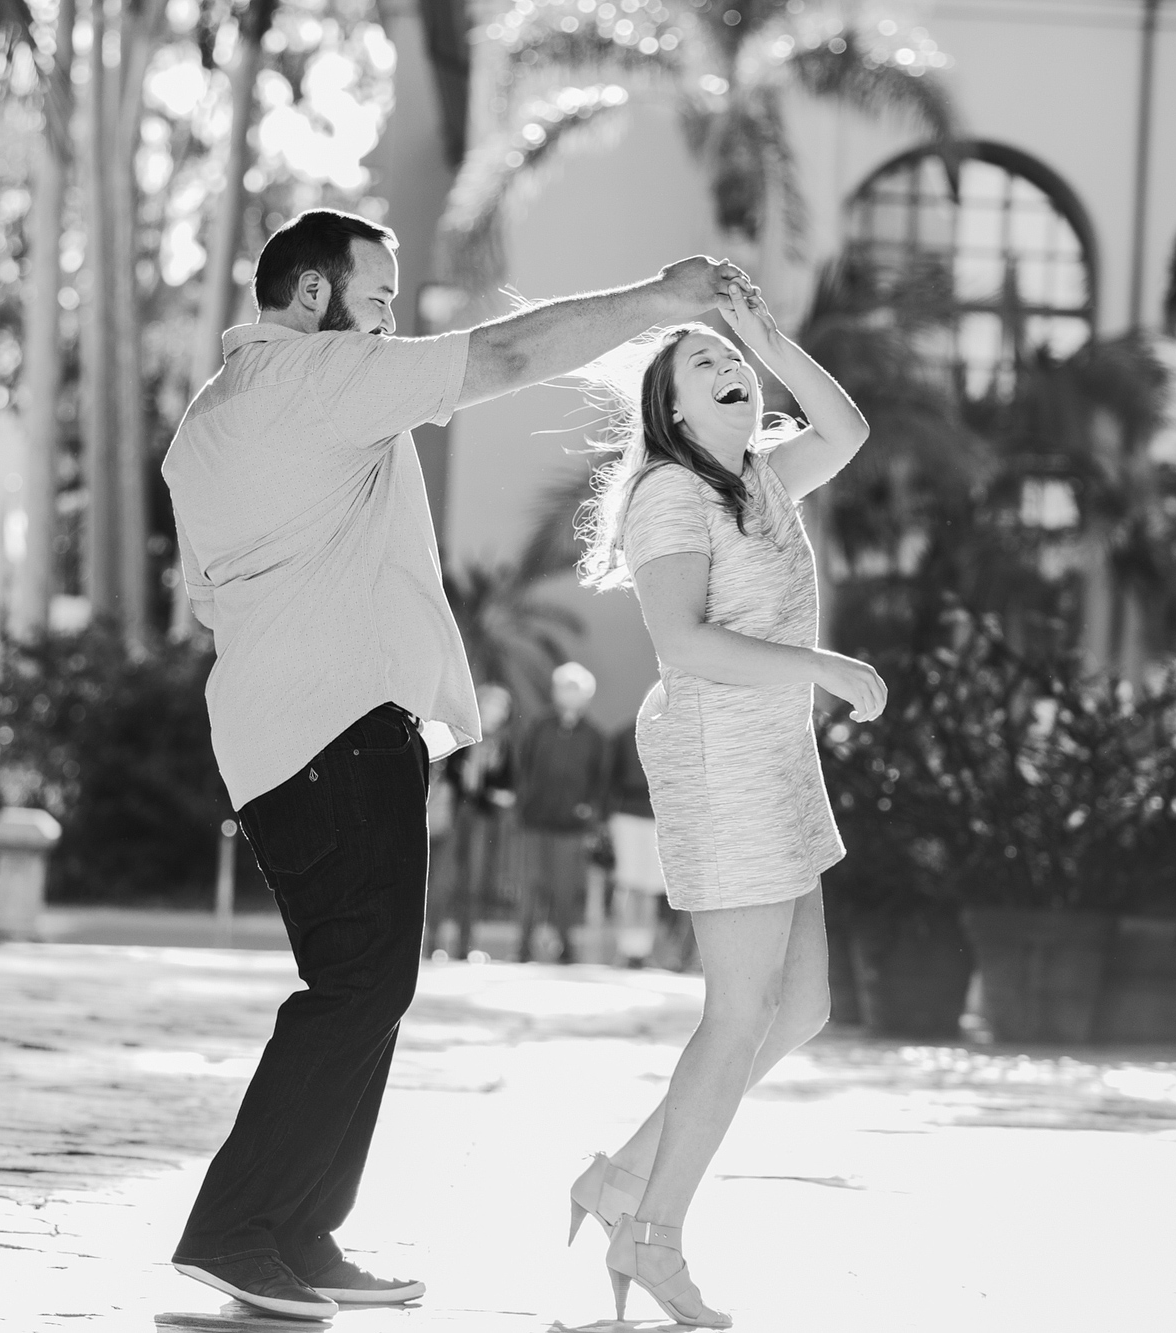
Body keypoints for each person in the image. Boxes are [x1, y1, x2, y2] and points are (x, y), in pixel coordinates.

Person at [160, 205, 753, 1321]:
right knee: (356, 984)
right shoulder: (323, 377)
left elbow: (210, 588)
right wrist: (660, 302)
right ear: (307, 299)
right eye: (376, 300)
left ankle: (298, 1229)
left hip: (277, 731)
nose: (388, 325)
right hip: (334, 730)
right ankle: (236, 1230)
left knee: (369, 981)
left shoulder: (210, 418)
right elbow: (511, 355)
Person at [565, 286, 885, 1328]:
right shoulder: (671, 493)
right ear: (671, 410)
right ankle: (650, 1234)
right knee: (737, 1011)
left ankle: (620, 1178)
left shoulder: (759, 477)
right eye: (700, 362)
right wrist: (822, 664)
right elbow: (683, 643)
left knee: (796, 1009)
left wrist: (758, 332)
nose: (728, 366)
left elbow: (845, 427)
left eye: (731, 357)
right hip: (719, 759)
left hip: (775, 760)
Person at [511, 661, 609, 964]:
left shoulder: (594, 735)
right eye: (564, 688)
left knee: (565, 890)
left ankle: (566, 949)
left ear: (586, 696)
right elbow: (523, 767)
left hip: (572, 827)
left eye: (575, 689)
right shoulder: (538, 726)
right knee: (530, 887)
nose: (568, 694)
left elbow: (600, 780)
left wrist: (589, 812)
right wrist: (524, 801)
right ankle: (523, 949)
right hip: (535, 820)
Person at [427, 683, 514, 960]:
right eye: (491, 705)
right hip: (454, 814)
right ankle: (432, 943)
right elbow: (446, 770)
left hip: (481, 818)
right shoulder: (460, 733)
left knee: (474, 882)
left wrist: (491, 791)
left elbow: (507, 785)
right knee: (443, 879)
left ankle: (466, 946)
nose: (495, 712)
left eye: (501, 708)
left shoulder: (502, 744)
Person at [605, 715, 664, 967]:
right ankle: (625, 948)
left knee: (651, 886)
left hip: (660, 818)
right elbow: (611, 775)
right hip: (627, 815)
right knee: (629, 883)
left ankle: (643, 950)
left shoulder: (679, 729)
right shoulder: (625, 734)